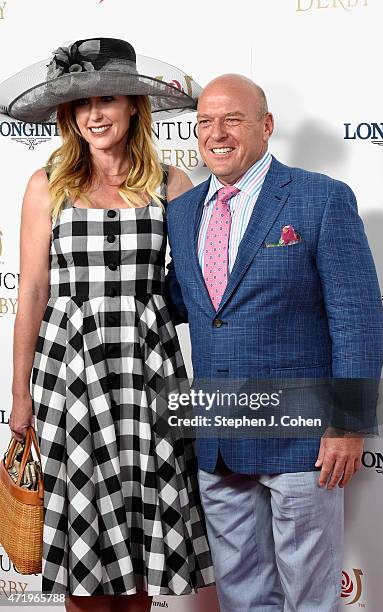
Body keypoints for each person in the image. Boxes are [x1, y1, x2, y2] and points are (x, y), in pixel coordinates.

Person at [7, 38, 214, 612]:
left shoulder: (173, 186)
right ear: (68, 116)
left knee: (144, 535)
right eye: (81, 104)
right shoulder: (46, 186)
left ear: (132, 106)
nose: (94, 114)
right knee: (83, 542)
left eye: (107, 99)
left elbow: (199, 288)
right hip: (70, 374)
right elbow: (33, 293)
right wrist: (18, 393)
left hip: (149, 372)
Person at [166, 74, 383, 611]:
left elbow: (357, 319)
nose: (217, 133)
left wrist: (349, 424)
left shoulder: (320, 199)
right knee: (241, 593)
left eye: (232, 119)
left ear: (266, 126)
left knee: (310, 596)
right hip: (219, 435)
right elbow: (182, 303)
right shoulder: (182, 211)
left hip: (303, 439)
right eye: (204, 123)